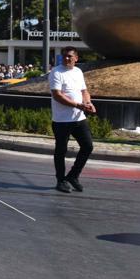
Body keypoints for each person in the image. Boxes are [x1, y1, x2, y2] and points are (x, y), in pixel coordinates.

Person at [50, 47, 96, 193]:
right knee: (61, 151)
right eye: (64, 56)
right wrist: (78, 105)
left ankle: (73, 176)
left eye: (70, 56)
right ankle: (60, 180)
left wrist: (88, 103)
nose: (66, 59)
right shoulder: (56, 72)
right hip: (61, 120)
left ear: (76, 58)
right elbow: (57, 95)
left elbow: (84, 91)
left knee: (88, 146)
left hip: (79, 118)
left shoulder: (78, 71)